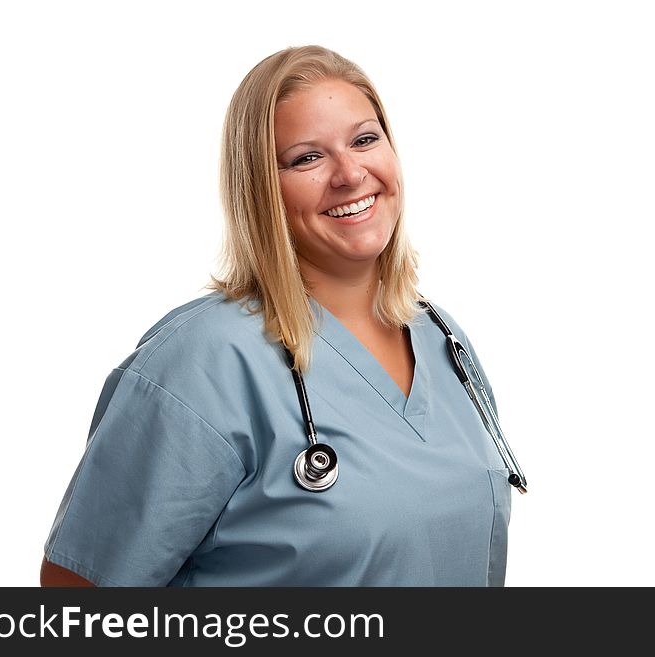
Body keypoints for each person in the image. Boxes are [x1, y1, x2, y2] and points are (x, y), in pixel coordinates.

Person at [40, 45, 518, 587]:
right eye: (306, 158)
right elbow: (75, 593)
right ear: (262, 189)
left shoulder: (442, 340)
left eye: (364, 139)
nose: (349, 173)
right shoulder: (205, 361)